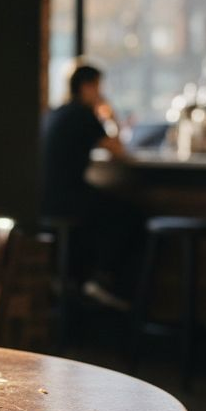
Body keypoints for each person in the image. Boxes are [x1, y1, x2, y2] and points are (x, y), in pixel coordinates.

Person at [40, 58, 143, 301]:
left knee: (102, 212)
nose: (100, 93)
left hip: (44, 201)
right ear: (87, 86)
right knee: (131, 216)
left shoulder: (54, 113)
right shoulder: (83, 114)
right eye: (98, 87)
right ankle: (102, 280)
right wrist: (109, 114)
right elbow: (118, 150)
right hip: (67, 200)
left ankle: (73, 282)